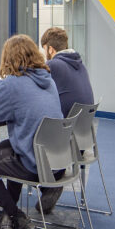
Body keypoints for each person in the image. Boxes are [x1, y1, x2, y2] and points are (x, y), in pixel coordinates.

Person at [0, 34, 63, 229]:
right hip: (57, 161)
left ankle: (15, 214)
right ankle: (7, 216)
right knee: (5, 146)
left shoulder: (12, 84)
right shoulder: (49, 81)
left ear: (8, 58)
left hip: (36, 165)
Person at [38, 26, 95, 213]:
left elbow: (35, 86)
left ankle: (52, 183)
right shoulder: (80, 64)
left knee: (29, 135)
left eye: (43, 49)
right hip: (82, 139)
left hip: (64, 140)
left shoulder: (54, 65)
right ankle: (54, 181)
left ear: (50, 49)